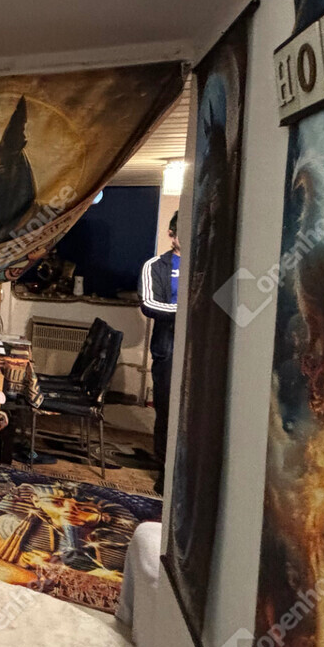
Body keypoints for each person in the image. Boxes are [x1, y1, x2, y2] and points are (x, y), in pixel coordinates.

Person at [140, 211, 180, 494]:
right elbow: (149, 304)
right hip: (168, 349)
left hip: (200, 352)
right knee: (166, 411)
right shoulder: (155, 266)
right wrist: (188, 310)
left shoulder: (208, 265)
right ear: (171, 233)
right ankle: (165, 472)